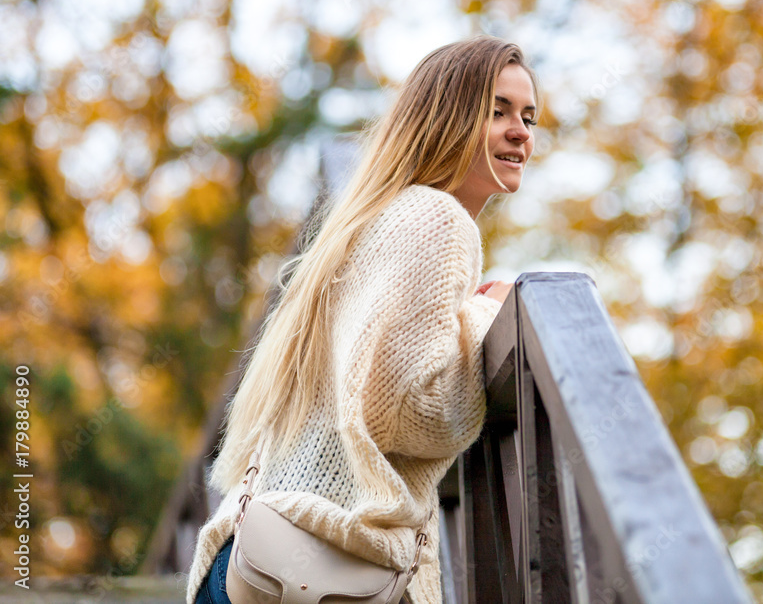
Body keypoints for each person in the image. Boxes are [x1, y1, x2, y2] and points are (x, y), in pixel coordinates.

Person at [186, 34, 539, 604]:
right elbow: (410, 412)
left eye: (528, 116)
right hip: (318, 565)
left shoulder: (373, 221)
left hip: (254, 563)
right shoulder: (438, 219)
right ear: (447, 116)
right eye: (496, 111)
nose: (521, 132)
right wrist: (485, 313)